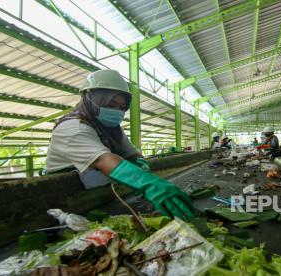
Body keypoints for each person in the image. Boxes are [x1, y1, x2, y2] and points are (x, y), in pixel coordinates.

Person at [45, 69, 195, 219]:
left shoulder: (111, 128)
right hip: (65, 201)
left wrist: (142, 167)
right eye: (111, 103)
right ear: (90, 97)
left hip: (96, 192)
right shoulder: (73, 127)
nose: (117, 111)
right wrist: (147, 184)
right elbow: (103, 160)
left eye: (122, 107)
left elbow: (131, 153)